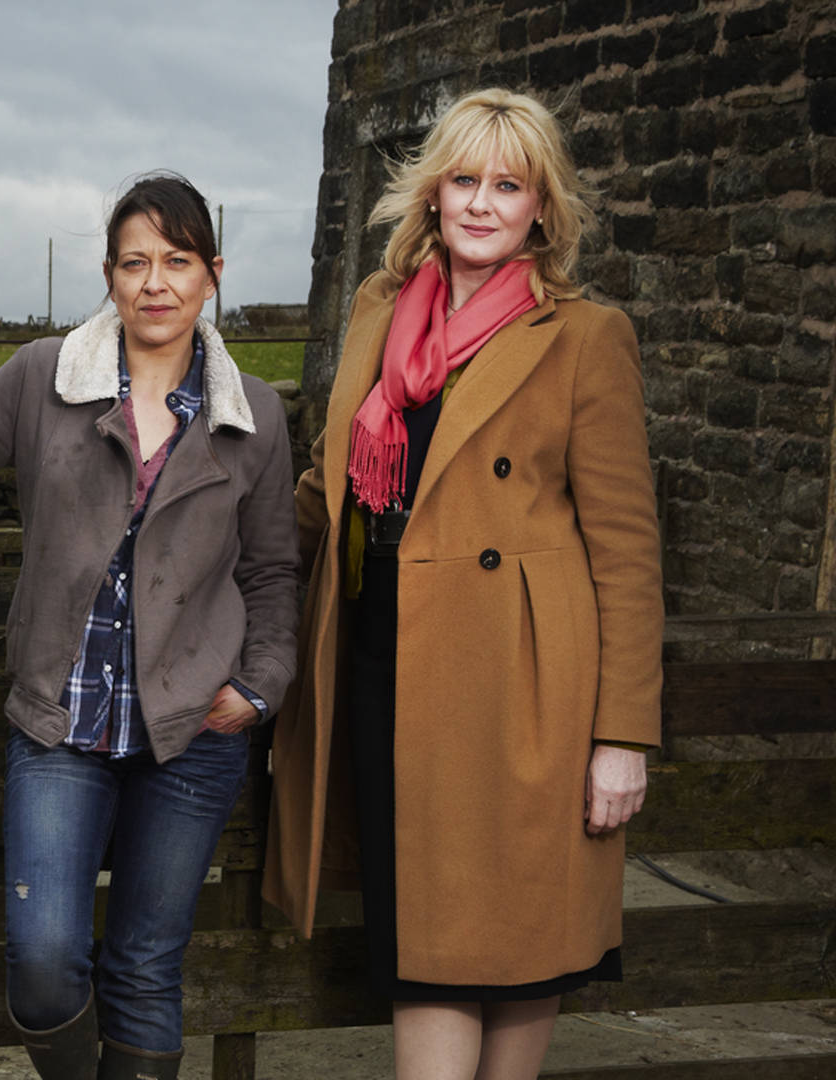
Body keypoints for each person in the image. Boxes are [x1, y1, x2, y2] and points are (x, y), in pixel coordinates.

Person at [264, 88, 663, 1080]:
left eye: (508, 185)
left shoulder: (583, 335)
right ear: (430, 192)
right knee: (426, 950)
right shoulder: (377, 306)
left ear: (542, 208)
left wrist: (622, 737)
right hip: (384, 661)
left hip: (522, 682)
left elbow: (625, 547)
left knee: (522, 949)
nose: (481, 203)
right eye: (463, 180)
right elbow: (328, 483)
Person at [0, 173, 299, 1079]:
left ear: (212, 275)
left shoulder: (255, 415)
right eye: (135, 261)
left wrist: (260, 683)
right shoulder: (44, 376)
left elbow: (272, 569)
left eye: (178, 261)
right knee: (41, 961)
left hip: (193, 732)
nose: (156, 282)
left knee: (147, 968)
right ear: (109, 275)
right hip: (59, 724)